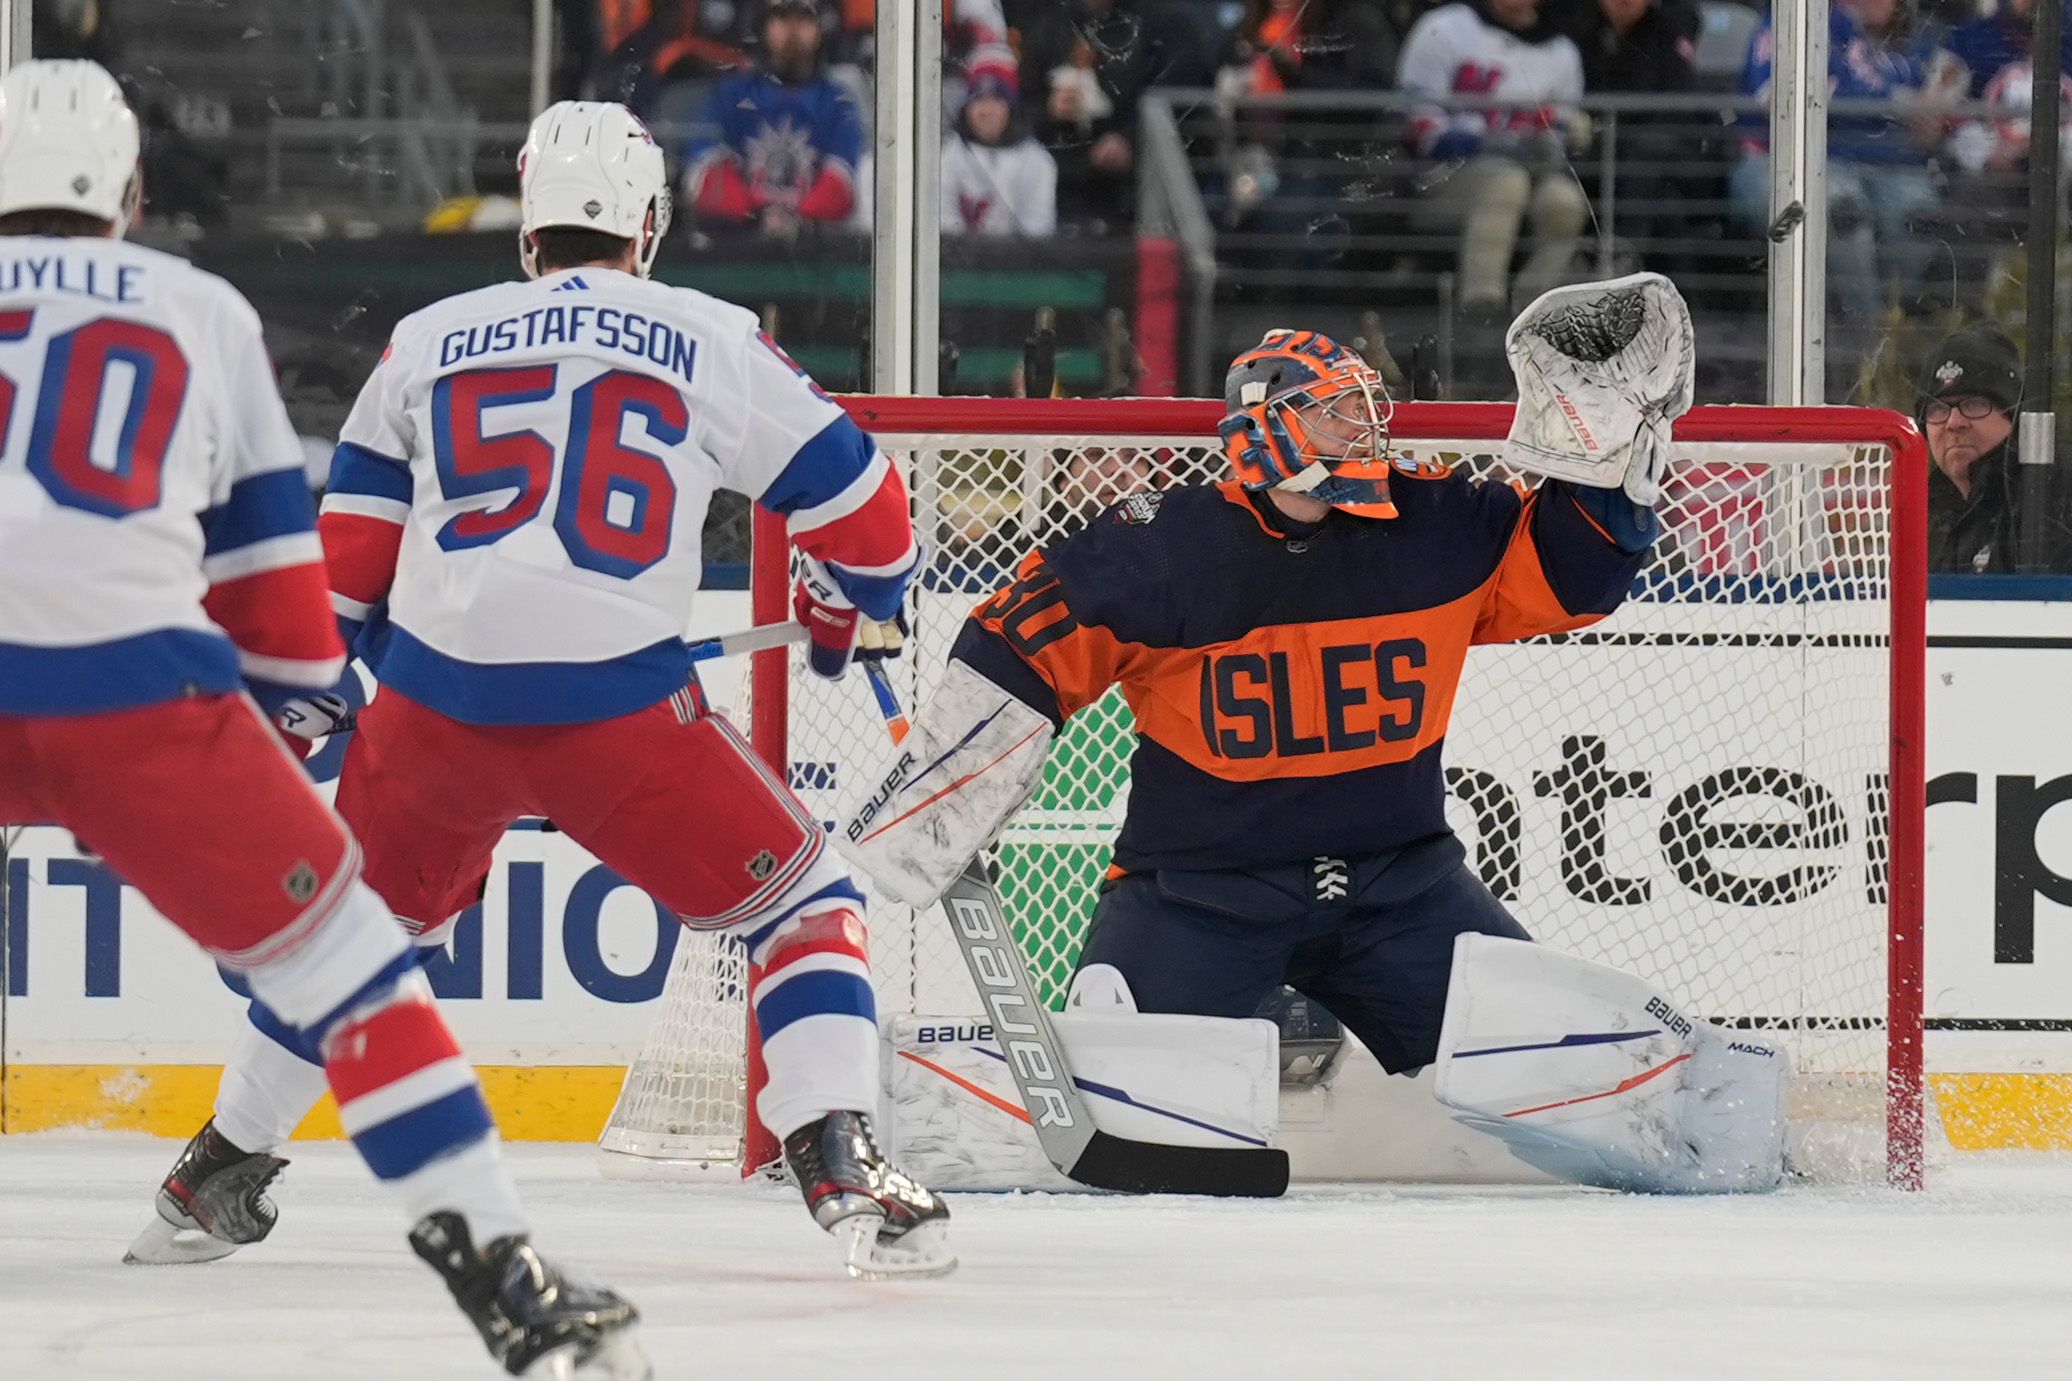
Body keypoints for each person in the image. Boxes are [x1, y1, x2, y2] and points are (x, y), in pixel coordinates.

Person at [136, 100, 954, 1282]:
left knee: (354, 943)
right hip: (618, 712)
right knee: (805, 904)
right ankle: (833, 1144)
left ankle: (216, 1165)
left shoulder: (425, 337)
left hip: (429, 710)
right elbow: (878, 531)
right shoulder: (710, 334)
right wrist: (849, 586)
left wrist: (312, 713)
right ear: (648, 227)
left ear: (529, 231)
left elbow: (344, 577)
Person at [840, 282, 1798, 1195]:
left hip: (1402, 889)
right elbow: (1022, 635)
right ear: (1269, 424)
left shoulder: (1431, 525)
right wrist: (944, 791)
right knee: (1111, 1070)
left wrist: (1605, 449)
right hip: (1198, 897)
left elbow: (1577, 577)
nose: (1369, 431)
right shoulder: (1163, 551)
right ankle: (838, 1106)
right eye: (1341, 412)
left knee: (1564, 1054)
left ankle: (1733, 1127)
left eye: (1368, 410)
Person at [0, 61, 646, 1377]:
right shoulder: (199, 309)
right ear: (127, 193)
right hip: (137, 688)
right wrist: (307, 697)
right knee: (351, 966)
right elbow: (272, 585)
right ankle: (503, 1280)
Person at [1395, 0, 1590, 383]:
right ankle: (1482, 314)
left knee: (1564, 202)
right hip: (1445, 179)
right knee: (1505, 181)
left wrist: (1547, 141)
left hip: (1530, 172)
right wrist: (1488, 141)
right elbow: (1419, 122)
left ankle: (1535, 314)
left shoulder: (1561, 49)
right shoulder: (1444, 27)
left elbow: (1565, 131)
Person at [1730, 0, 1947, 332]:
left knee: (1917, 216)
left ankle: (1892, 325)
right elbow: (1776, 98)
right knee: (1844, 214)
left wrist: (1922, 119)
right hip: (1775, 163)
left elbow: (1926, 116)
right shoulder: (1793, 17)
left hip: (1877, 167)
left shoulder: (1897, 46)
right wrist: (1893, 103)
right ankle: (1869, 338)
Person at [1019, 0, 1215, 230]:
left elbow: (1185, 92)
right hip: (1066, 188)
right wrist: (1049, 109)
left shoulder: (1167, 21)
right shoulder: (1054, 22)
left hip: (1144, 191)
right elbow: (1025, 100)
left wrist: (1130, 137)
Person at [682, 0, 863, 235]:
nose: (792, 29)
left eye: (804, 17)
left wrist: (798, 219)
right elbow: (703, 170)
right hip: (736, 248)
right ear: (762, 25)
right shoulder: (730, 95)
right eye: (781, 16)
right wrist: (754, 215)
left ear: (821, 27)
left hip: (819, 254)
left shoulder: (838, 101)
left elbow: (846, 183)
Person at [1918, 324, 2072, 573]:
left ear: (2013, 415)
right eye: (1937, 409)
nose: (1953, 423)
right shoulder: (1926, 518)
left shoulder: (2053, 489)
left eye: (1975, 404)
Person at [941, 58, 1058, 238]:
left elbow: (1038, 228)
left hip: (1015, 263)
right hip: (959, 262)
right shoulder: (949, 152)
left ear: (1011, 108)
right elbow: (943, 221)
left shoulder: (1036, 160)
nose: (986, 110)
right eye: (978, 99)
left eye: (996, 100)